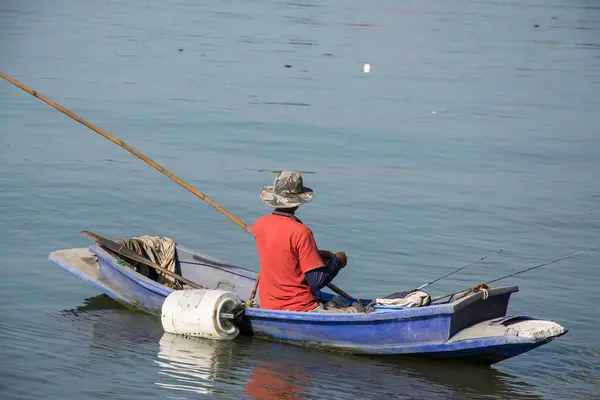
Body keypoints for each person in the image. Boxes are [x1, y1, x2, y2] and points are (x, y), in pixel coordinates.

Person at [251, 171, 356, 313]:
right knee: (353, 307)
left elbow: (284, 254)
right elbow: (316, 281)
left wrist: (315, 254)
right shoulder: (301, 231)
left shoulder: (260, 225)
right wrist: (337, 262)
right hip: (300, 307)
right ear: (298, 203)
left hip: (269, 304)